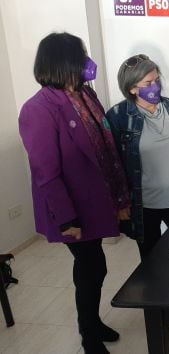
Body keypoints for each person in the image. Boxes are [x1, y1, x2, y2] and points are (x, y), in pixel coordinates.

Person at [18, 32, 129, 354]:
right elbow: (45, 171)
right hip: (73, 207)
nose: (87, 62)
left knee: (96, 266)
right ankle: (88, 336)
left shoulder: (85, 95)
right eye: (81, 55)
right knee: (90, 267)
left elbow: (104, 145)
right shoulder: (38, 109)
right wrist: (67, 218)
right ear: (64, 61)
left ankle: (92, 323)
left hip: (97, 197)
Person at [106, 54, 169, 260]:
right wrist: (120, 204)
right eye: (148, 83)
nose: (155, 86)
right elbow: (113, 166)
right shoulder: (118, 117)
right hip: (144, 206)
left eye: (157, 80)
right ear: (132, 88)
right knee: (151, 263)